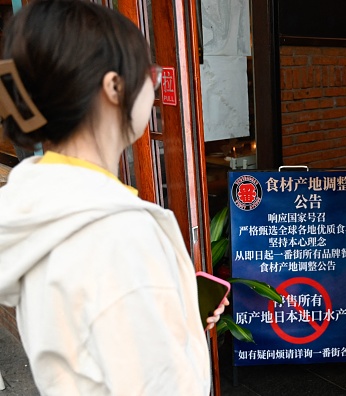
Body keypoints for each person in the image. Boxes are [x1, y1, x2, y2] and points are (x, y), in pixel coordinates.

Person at [0, 1, 228, 394]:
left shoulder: (36, 202)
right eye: (148, 73)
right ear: (114, 87)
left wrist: (177, 308)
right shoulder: (119, 233)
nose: (154, 86)